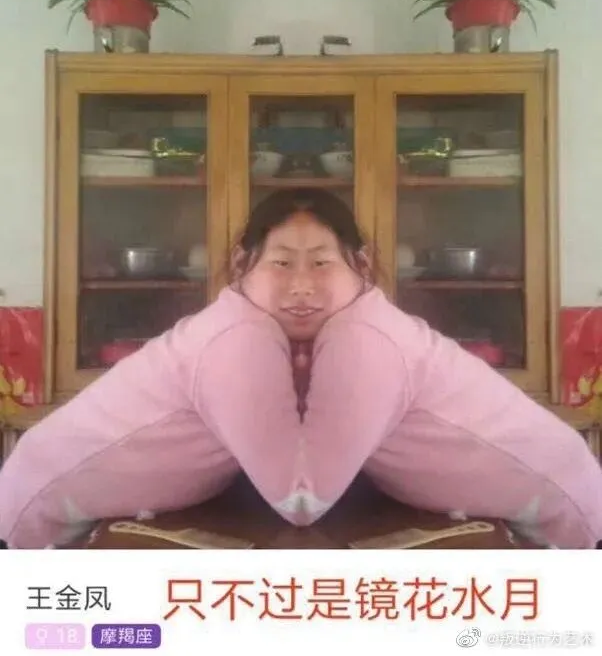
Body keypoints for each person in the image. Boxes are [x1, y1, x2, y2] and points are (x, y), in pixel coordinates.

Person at [0, 188, 600, 549]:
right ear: (243, 264)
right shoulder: (239, 337)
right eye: (282, 263)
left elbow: (304, 496)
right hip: (32, 517)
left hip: (569, 516)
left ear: (362, 263)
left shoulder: (363, 337)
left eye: (322, 263)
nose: (302, 287)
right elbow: (298, 497)